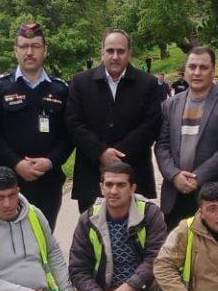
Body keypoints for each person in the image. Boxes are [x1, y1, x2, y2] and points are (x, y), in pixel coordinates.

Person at [65, 162, 173, 291]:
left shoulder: (150, 214)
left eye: (121, 185)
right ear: (101, 187)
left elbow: (156, 259)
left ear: (132, 188)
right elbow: (78, 268)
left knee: (165, 281)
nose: (114, 191)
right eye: (109, 184)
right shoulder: (88, 219)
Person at [66, 29, 162, 214]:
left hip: (135, 173)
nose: (115, 56)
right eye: (110, 51)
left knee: (136, 230)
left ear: (129, 53)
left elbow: (151, 125)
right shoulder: (80, 82)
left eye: (121, 51)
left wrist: (119, 155)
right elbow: (73, 123)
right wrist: (100, 152)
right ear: (102, 52)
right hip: (91, 174)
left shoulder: (147, 83)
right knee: (93, 230)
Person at [0, 23, 70, 225]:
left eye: (35, 46)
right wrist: (17, 164)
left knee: (43, 237)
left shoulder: (60, 89)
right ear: (15, 51)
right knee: (8, 239)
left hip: (48, 182)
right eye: (24, 46)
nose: (29, 52)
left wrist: (49, 162)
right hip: (8, 183)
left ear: (45, 50)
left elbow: (69, 135)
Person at [154, 45, 218, 223]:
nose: (197, 72)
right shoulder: (170, 104)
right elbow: (162, 145)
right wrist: (174, 175)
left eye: (203, 67)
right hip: (175, 195)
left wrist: (198, 178)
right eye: (192, 67)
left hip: (212, 195)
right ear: (185, 70)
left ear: (213, 70)